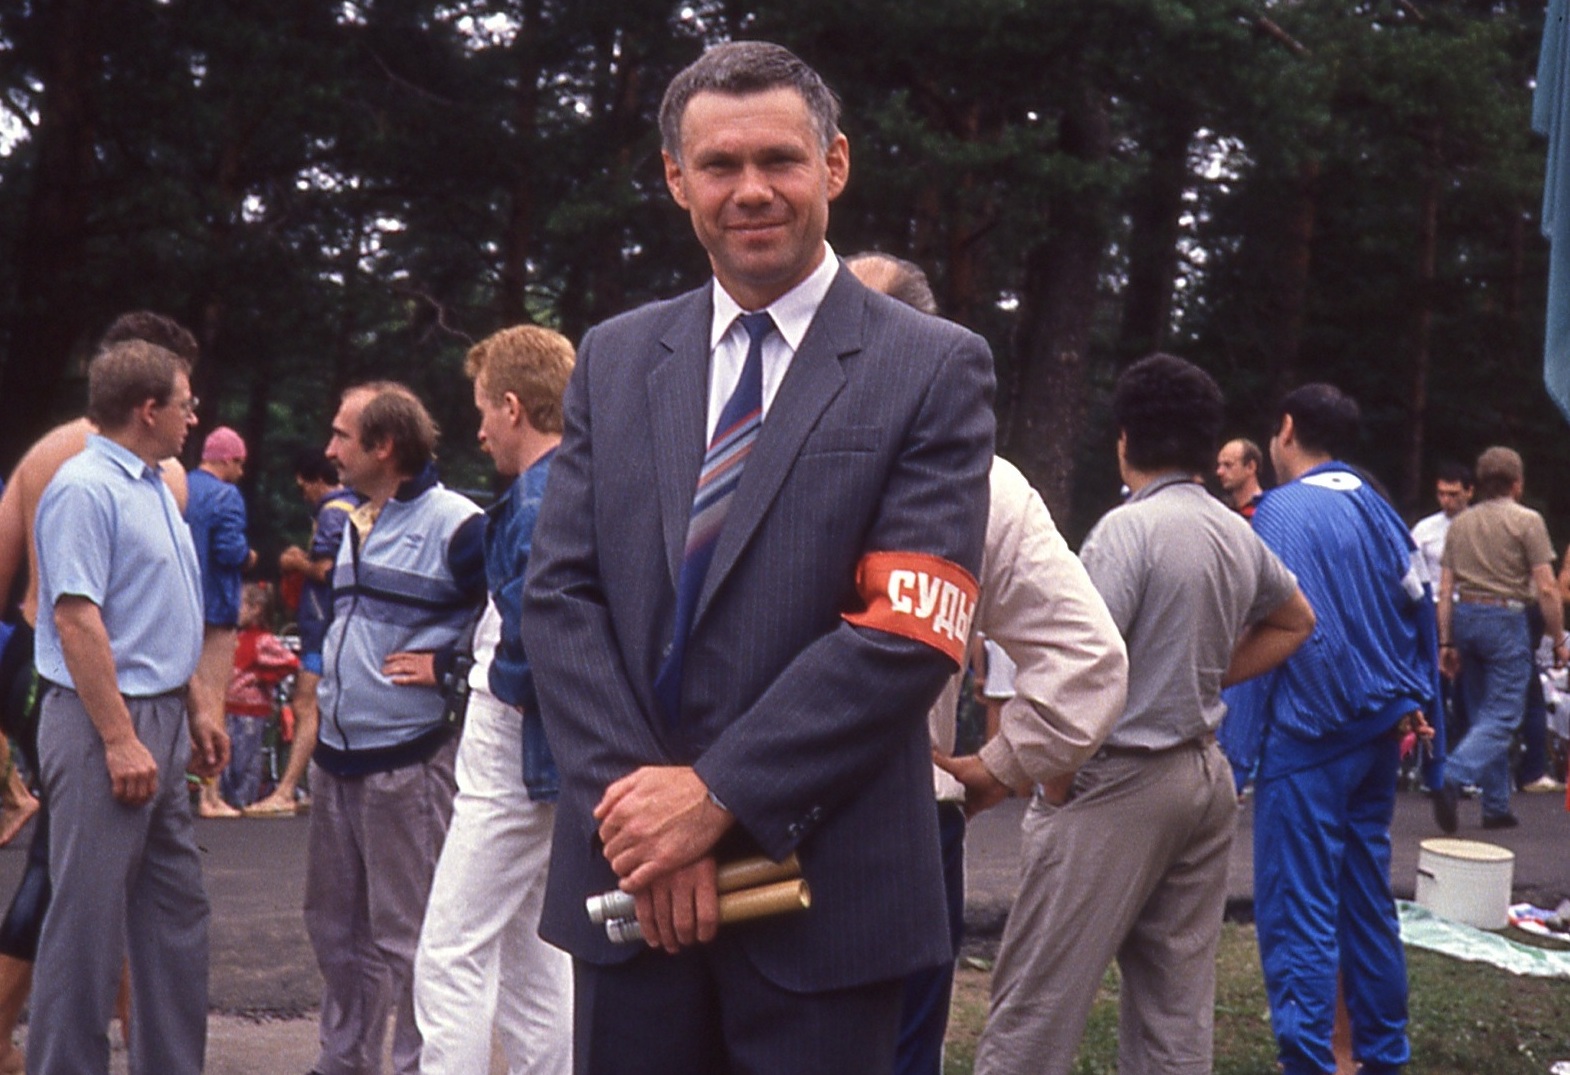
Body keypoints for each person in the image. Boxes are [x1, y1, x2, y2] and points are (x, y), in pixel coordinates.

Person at [519, 41, 994, 1075]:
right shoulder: (614, 354)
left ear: (833, 165)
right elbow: (557, 596)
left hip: (825, 899)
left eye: (778, 160)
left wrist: (715, 799)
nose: (751, 191)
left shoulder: (933, 366)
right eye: (719, 165)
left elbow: (909, 627)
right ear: (674, 178)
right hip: (629, 884)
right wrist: (648, 820)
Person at [947, 355, 1312, 1075]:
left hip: (1117, 779)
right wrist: (1202, 673)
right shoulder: (1235, 530)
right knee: (1174, 1011)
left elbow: (1076, 665)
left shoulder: (1125, 531)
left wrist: (1052, 772)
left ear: (1124, 439)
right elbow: (1296, 620)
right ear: (1211, 446)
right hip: (1203, 775)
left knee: (1036, 1004)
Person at [845, 249, 1127, 1075]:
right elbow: (1088, 661)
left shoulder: (984, 487)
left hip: (864, 811)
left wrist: (997, 766)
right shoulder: (984, 482)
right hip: (888, 812)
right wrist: (997, 770)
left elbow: (1087, 660)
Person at [1223, 383, 1442, 1075]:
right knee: (1367, 901)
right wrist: (1418, 695)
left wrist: (1235, 757)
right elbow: (1420, 606)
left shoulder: (1279, 514)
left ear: (1285, 430)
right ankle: (1383, 1057)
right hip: (1378, 735)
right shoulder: (1379, 509)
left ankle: (1308, 1063)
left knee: (1300, 913)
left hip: (1308, 739)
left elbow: (1265, 634)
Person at [0, 310, 197, 1072]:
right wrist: (116, 734)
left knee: (175, 913)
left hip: (162, 708)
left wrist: (198, 709)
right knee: (82, 920)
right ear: (148, 408)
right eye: (186, 401)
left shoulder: (151, 483)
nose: (193, 414)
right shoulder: (83, 483)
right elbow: (75, 615)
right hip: (99, 708)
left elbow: (167, 604)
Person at [304, 382, 485, 1075]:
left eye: (342, 436)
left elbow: (520, 615)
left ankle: (416, 1064)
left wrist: (449, 664)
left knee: (410, 933)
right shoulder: (354, 520)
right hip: (337, 759)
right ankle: (342, 1060)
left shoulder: (459, 524)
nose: (329, 449)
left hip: (406, 763)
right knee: (334, 927)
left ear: (384, 446)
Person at [414, 325, 576, 1074]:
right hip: (551, 756)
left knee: (451, 951)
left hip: (513, 742)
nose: (477, 429)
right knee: (534, 955)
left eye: (482, 409)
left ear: (513, 407)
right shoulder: (589, 482)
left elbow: (542, 646)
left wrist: (494, 684)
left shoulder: (535, 503)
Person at [1433, 446, 1567, 830]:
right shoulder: (1527, 521)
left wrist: (1446, 642)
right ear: (1517, 483)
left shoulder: (1460, 524)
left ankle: (1495, 805)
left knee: (1481, 713)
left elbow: (1445, 590)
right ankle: (1452, 776)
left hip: (1465, 615)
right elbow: (1546, 588)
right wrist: (1558, 638)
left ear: (1478, 484)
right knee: (1505, 713)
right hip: (1505, 618)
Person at [245, 449, 360, 818]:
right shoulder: (356, 504)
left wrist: (296, 562)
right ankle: (316, 785)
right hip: (333, 624)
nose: (305, 495)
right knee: (323, 705)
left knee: (305, 703)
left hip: (322, 623)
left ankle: (286, 788)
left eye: (303, 488)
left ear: (314, 481)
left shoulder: (332, 510)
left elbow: (327, 571)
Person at [185, 426, 257, 819]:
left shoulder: (179, 485)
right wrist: (250, 558)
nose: (242, 472)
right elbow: (229, 551)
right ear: (227, 459)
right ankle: (209, 796)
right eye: (240, 463)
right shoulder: (226, 495)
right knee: (212, 697)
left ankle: (183, 784)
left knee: (182, 696)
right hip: (216, 608)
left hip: (181, 604)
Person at [218, 583, 298, 808]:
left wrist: (264, 676)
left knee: (246, 758)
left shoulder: (263, 640)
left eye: (240, 604)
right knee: (227, 759)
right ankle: (227, 799)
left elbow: (290, 662)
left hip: (251, 713)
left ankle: (244, 800)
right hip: (229, 708)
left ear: (256, 609)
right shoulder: (235, 637)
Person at [1409, 461, 1473, 596]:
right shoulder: (1424, 528)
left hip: (1469, 601)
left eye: (1453, 494)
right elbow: (1411, 568)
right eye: (1441, 494)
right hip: (1433, 598)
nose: (1446, 500)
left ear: (1469, 492)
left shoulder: (1481, 526)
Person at [1216, 437, 1265, 518]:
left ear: (1250, 467)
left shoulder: (1267, 511)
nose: (1219, 472)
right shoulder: (1221, 510)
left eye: (1228, 465)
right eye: (1219, 465)